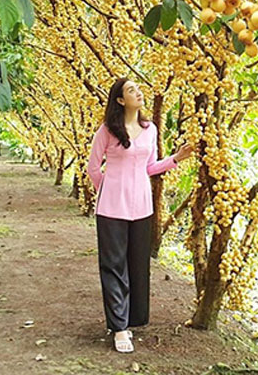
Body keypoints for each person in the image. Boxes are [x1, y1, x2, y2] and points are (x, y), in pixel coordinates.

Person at [86, 77, 194, 353]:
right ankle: (119, 328)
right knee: (113, 266)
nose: (138, 92)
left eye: (138, 89)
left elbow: (149, 167)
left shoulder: (150, 129)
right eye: (131, 90)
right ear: (120, 100)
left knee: (137, 264)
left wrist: (176, 159)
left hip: (142, 206)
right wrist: (108, 190)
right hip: (111, 207)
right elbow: (93, 169)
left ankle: (132, 319)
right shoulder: (108, 130)